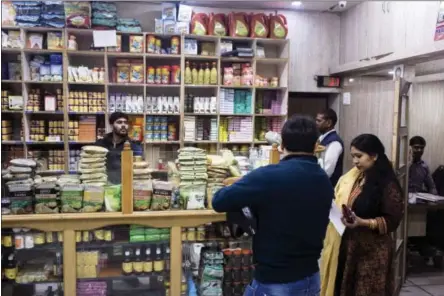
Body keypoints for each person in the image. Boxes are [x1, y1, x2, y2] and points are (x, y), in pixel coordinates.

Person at [212, 115, 334, 296]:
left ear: (281, 145)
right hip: (312, 278)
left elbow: (219, 201)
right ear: (316, 145)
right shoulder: (323, 179)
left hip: (275, 280)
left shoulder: (268, 176)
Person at [320, 134, 404, 296]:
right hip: (352, 246)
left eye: (359, 156)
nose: (355, 161)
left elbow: (392, 221)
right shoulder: (357, 178)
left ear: (374, 156)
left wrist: (362, 222)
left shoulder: (387, 184)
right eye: (353, 157)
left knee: (367, 290)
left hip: (373, 251)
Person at [95, 112, 142, 184]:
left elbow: (139, 171)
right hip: (103, 186)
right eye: (119, 122)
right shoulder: (100, 144)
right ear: (111, 125)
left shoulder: (134, 146)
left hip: (126, 186)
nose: (123, 125)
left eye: (126, 123)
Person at [316, 108, 344, 187]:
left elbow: (327, 170)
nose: (316, 123)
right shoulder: (321, 138)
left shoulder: (334, 142)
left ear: (328, 123)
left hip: (328, 186)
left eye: (319, 121)